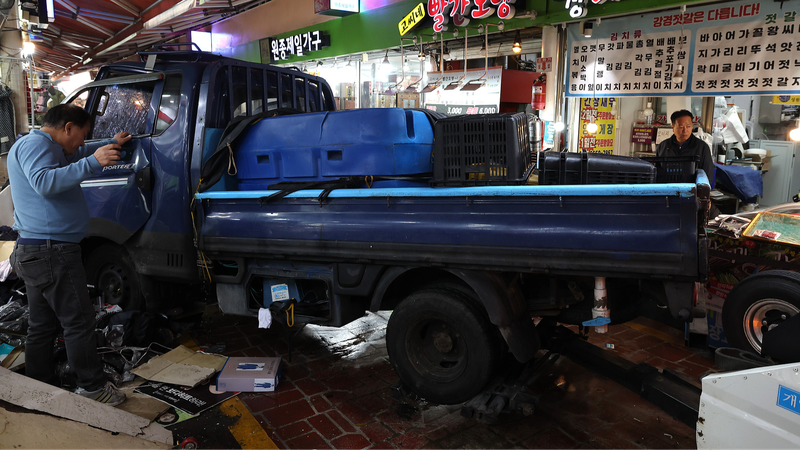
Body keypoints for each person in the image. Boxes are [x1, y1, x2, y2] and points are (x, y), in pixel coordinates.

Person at [7, 104, 130, 406]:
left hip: (38, 251)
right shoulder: (38, 146)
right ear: (68, 128)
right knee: (78, 322)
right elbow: (45, 183)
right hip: (53, 253)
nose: (82, 144)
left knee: (43, 325)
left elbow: (72, 157)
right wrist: (93, 163)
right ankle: (92, 388)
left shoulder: (37, 144)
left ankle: (39, 386)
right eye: (82, 136)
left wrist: (109, 144)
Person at [656, 109, 715, 183]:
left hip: (691, 191)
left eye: (688, 126)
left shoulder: (702, 147)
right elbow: (656, 172)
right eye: (681, 127)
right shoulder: (663, 146)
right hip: (668, 190)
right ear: (673, 127)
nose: (685, 130)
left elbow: (708, 175)